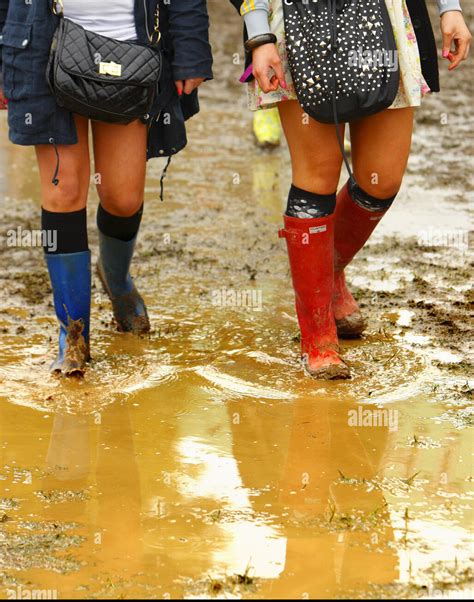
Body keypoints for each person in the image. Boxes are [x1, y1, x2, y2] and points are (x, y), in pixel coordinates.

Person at [231, 0, 471, 379]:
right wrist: (259, 35)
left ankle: (328, 271)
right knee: (317, 176)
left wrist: (450, 8)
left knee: (382, 179)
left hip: (387, 19)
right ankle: (318, 338)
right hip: (299, 22)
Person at [0, 0, 213, 376]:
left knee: (123, 198)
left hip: (130, 52)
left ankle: (115, 278)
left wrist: (192, 49)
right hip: (42, 48)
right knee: (63, 191)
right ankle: (73, 335)